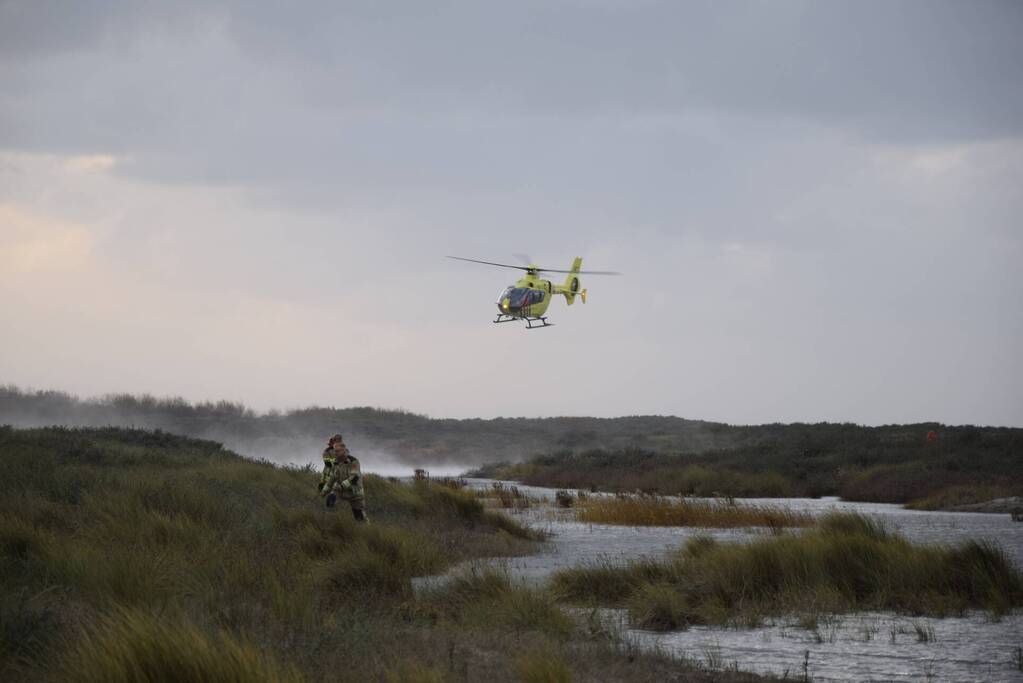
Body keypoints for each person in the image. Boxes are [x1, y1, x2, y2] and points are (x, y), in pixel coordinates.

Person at [319, 433, 367, 522]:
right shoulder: (334, 461)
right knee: (330, 502)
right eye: (334, 451)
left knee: (359, 517)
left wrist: (341, 486)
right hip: (340, 490)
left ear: (344, 451)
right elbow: (332, 477)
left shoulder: (353, 461)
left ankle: (365, 528)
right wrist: (324, 491)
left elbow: (354, 478)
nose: (335, 453)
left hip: (355, 492)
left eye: (337, 451)